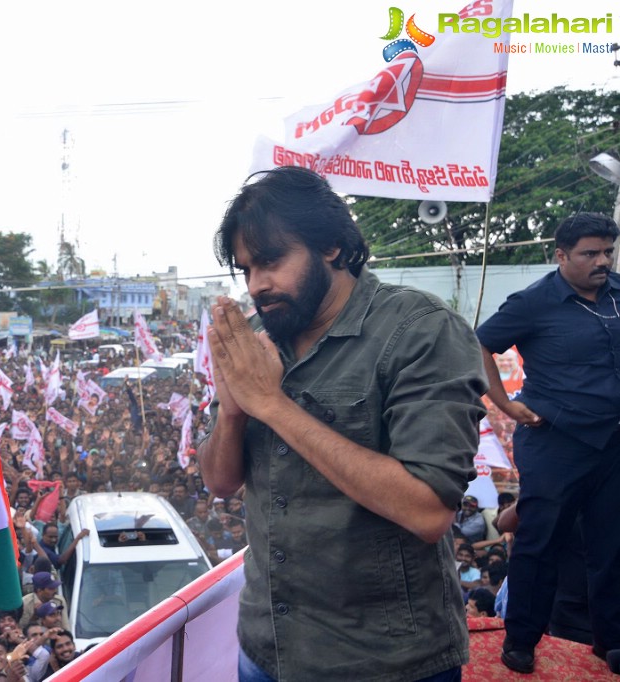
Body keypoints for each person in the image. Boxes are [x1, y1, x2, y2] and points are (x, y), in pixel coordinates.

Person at [198, 167, 486, 681]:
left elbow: (427, 511)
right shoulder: (261, 339)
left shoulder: (419, 331)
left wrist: (271, 403)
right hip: (266, 648)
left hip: (383, 661)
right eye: (245, 270)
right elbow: (219, 482)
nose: (257, 285)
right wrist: (235, 410)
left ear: (331, 245)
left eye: (270, 261)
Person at [475, 212, 620, 675]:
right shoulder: (534, 301)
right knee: (540, 544)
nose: (602, 261)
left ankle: (612, 640)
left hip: (613, 440)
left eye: (608, 252)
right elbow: (478, 345)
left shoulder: (618, 292)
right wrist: (505, 403)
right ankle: (521, 639)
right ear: (561, 255)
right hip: (556, 441)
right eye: (590, 253)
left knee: (611, 545)